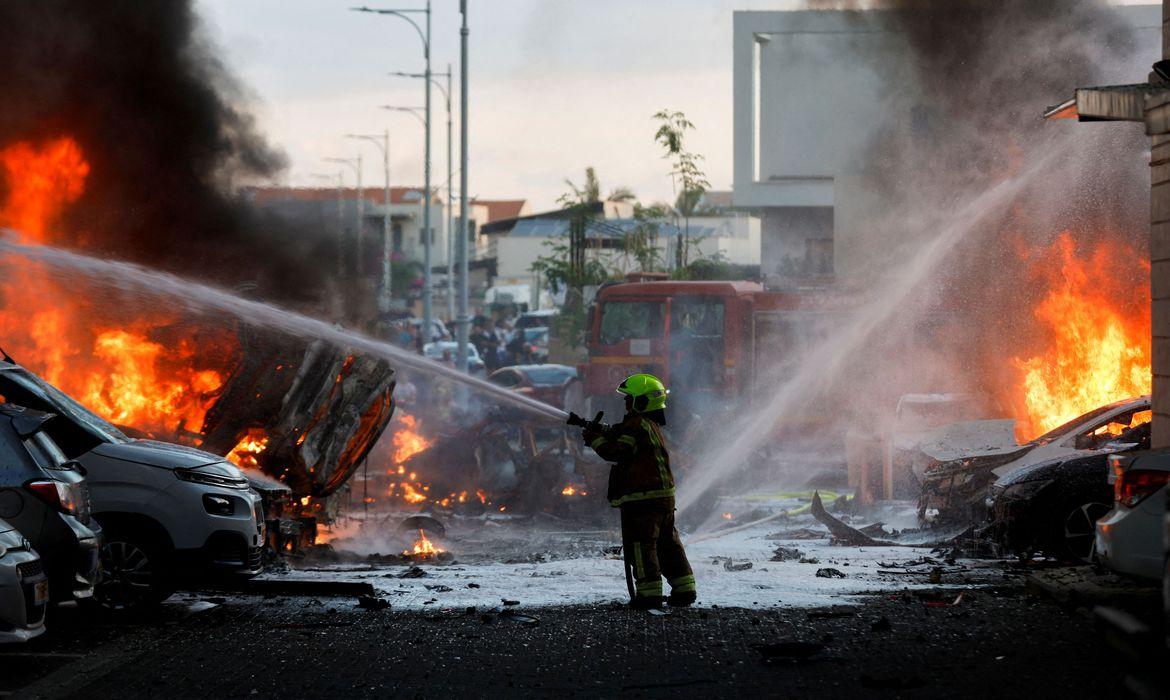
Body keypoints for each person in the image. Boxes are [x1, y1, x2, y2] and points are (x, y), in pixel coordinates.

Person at [581, 373, 696, 609]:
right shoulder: (648, 425)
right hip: (662, 498)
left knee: (642, 547)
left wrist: (594, 440)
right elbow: (620, 434)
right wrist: (602, 430)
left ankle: (649, 595)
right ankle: (685, 590)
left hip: (642, 500)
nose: (625, 403)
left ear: (641, 402)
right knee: (668, 545)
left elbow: (617, 452)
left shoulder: (636, 425)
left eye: (628, 399)